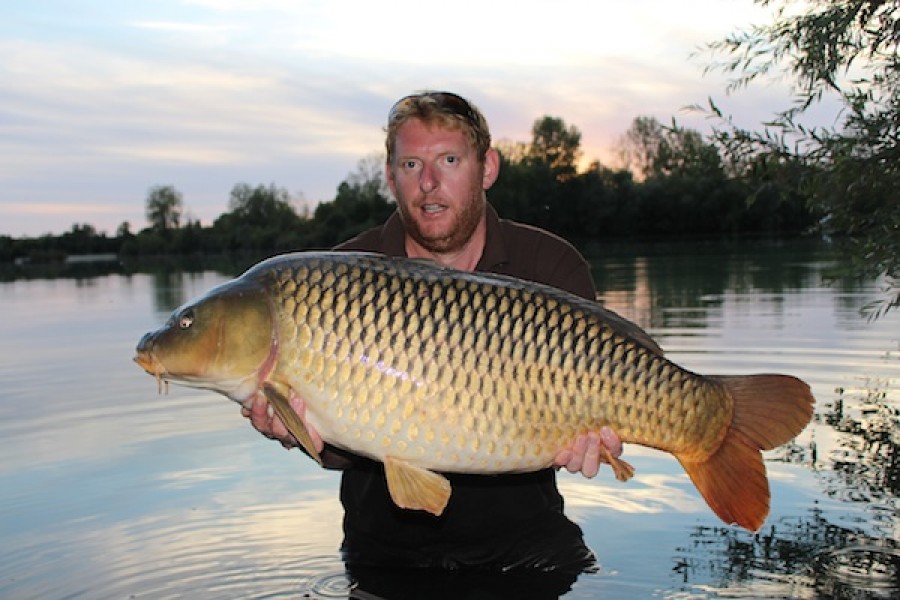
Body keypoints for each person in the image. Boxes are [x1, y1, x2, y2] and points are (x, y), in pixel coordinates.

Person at [243, 91, 644, 584]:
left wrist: (589, 440)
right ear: (391, 178)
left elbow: (594, 397)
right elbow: (341, 443)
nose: (429, 183)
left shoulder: (547, 265)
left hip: (527, 545)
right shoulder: (339, 278)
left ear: (488, 168)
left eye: (449, 160)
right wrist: (297, 433)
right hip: (385, 552)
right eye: (411, 164)